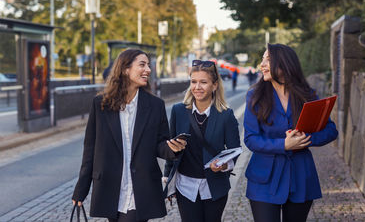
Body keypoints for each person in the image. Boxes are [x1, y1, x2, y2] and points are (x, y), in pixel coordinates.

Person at [72, 49, 186, 222]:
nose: (148, 69)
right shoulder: (100, 104)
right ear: (125, 69)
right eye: (142, 64)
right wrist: (81, 189)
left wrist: (172, 149)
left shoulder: (155, 105)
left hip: (140, 189)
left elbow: (161, 145)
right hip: (111, 188)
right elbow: (90, 149)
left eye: (148, 65)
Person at [244, 43, 338, 222]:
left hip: (300, 176)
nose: (262, 64)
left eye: (268, 60)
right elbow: (251, 139)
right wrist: (284, 145)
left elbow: (331, 131)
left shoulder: (308, 95)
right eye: (262, 60)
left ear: (284, 64)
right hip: (264, 179)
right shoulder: (254, 96)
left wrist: (305, 139)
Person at [163, 59, 241, 222]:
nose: (197, 87)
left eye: (203, 82)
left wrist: (223, 164)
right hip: (185, 186)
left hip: (214, 186)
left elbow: (235, 150)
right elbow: (171, 147)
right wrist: (167, 176)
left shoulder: (226, 115)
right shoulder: (178, 110)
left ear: (214, 85)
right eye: (193, 82)